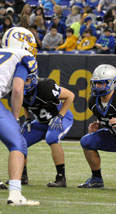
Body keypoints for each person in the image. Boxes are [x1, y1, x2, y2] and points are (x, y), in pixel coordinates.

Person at [0, 26, 39, 206]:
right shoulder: (24, 56)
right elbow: (17, 89)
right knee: (18, 142)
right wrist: (16, 118)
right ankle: (15, 194)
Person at [20, 71, 74, 187]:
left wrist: (60, 116)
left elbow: (70, 95)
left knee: (52, 137)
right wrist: (28, 119)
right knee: (19, 141)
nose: (24, 83)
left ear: (34, 79)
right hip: (41, 122)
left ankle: (61, 178)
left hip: (59, 118)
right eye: (22, 80)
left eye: (27, 80)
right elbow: (24, 103)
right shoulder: (16, 88)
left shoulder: (45, 87)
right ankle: (22, 176)